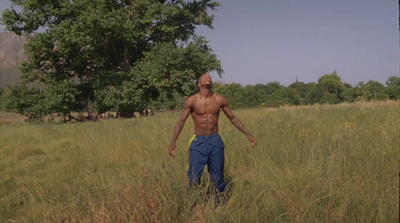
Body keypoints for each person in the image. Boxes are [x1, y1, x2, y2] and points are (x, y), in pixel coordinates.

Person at [168, 73, 257, 200]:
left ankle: (220, 202)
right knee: (194, 177)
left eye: (209, 77)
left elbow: (233, 118)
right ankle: (193, 201)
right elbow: (181, 121)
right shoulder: (192, 100)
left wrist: (248, 134)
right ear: (199, 84)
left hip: (215, 140)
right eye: (203, 77)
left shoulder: (219, 100)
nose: (207, 77)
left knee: (218, 176)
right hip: (198, 141)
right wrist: (173, 141)